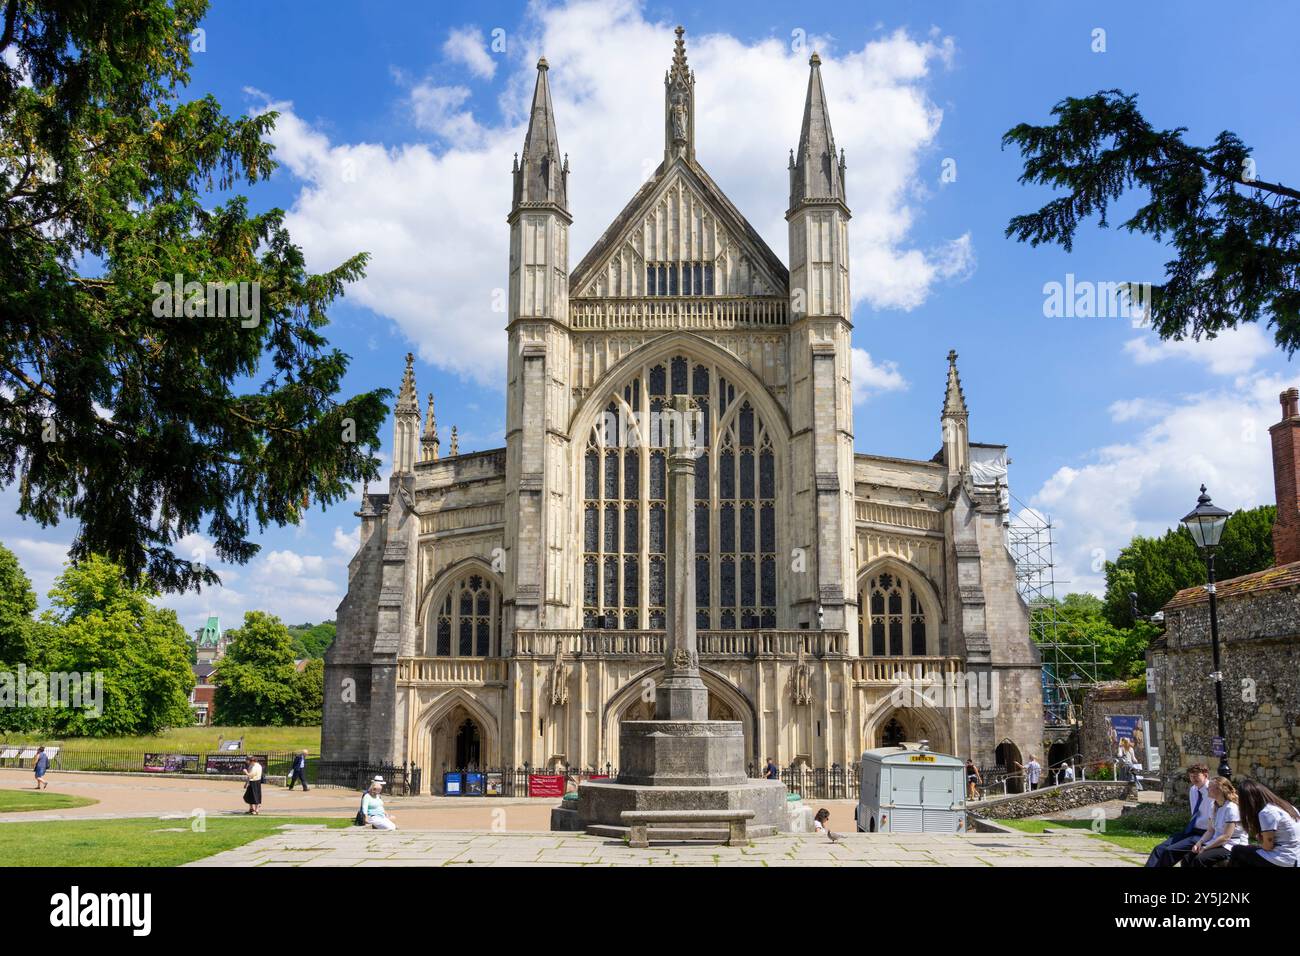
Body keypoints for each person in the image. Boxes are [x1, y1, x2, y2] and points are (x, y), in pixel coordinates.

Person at [1146, 764, 1212, 867]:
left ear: (1205, 775)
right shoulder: (1193, 790)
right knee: (1159, 849)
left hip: (1205, 834)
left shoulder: (1212, 791)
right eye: (1191, 776)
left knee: (1170, 851)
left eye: (1196, 776)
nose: (1193, 779)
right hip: (1192, 831)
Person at [1231, 779, 1299, 867]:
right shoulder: (1288, 807)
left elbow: (1267, 846)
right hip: (1296, 856)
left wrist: (1261, 840)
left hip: (1283, 858)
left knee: (1237, 850)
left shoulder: (1267, 812)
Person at [1188, 777, 1247, 867]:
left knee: (1200, 859)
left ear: (1219, 789)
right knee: (1188, 857)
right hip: (1217, 842)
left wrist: (1206, 848)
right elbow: (1210, 830)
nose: (1207, 789)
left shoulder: (1231, 808)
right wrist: (1199, 842)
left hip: (1231, 845)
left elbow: (1226, 837)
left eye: (1210, 787)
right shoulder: (1213, 805)